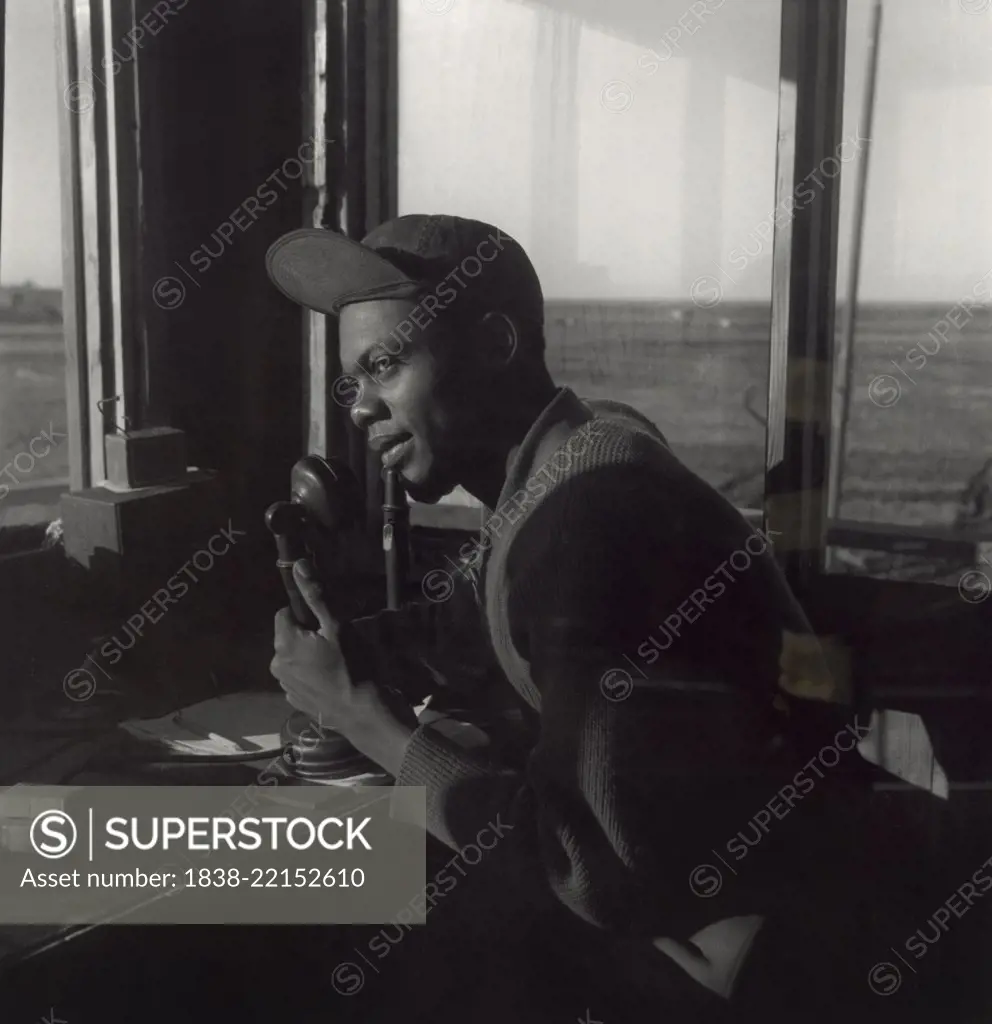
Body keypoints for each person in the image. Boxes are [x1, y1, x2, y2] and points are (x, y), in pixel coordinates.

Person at [264, 215, 959, 1023]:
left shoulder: (590, 515)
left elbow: (593, 870)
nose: (359, 408)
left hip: (831, 958)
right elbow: (479, 616)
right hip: (781, 905)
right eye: (353, 379)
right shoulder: (577, 451)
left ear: (496, 342)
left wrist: (365, 718)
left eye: (385, 364)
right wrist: (349, 649)